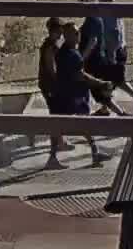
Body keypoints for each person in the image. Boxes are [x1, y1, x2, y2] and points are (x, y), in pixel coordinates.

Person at [48, 20, 110, 169]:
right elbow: (80, 75)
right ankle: (52, 158)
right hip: (69, 96)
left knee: (81, 123)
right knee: (61, 125)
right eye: (75, 33)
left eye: (78, 32)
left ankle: (94, 152)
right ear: (67, 36)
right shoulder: (69, 53)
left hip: (70, 95)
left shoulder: (69, 51)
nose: (78, 35)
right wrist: (100, 83)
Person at [75, 0, 123, 115]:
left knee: (101, 95)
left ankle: (122, 115)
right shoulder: (96, 18)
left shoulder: (92, 21)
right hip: (98, 59)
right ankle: (107, 111)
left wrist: (81, 58)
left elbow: (92, 41)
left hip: (93, 62)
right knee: (102, 94)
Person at [95, 0, 133, 104]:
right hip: (119, 48)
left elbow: (114, 33)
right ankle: (106, 106)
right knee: (110, 79)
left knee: (116, 80)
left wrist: (111, 54)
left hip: (114, 50)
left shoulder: (108, 11)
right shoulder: (115, 8)